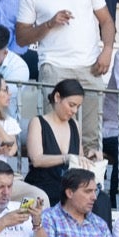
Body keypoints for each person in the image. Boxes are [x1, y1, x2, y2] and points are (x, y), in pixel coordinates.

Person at [17, 0, 117, 127]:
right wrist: (49, 24)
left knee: (91, 134)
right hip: (53, 66)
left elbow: (106, 21)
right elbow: (21, 38)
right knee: (53, 130)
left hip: (90, 66)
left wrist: (107, 50)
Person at [26, 78, 101, 208]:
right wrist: (66, 158)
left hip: (68, 187)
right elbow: (36, 159)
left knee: (101, 199)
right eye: (71, 105)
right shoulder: (37, 122)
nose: (75, 111)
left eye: (78, 107)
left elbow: (78, 159)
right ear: (57, 97)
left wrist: (90, 158)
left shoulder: (75, 125)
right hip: (41, 185)